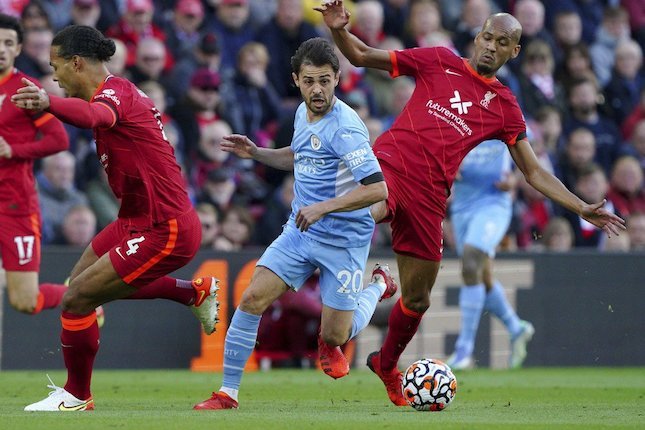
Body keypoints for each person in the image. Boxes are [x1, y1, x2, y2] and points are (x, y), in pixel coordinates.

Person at [317, 1, 626, 406]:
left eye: (502, 43)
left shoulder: (504, 107)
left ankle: (386, 365)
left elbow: (533, 173)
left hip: (431, 196)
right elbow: (360, 56)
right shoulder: (438, 60)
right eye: (487, 37)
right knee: (365, 213)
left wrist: (580, 206)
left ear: (513, 51)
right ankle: (330, 337)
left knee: (417, 299)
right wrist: (340, 30)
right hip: (390, 167)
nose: (491, 47)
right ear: (477, 36)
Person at [12, 25, 219, 412]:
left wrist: (46, 103)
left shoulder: (113, 94)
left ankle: (77, 396)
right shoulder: (117, 90)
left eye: (56, 66)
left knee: (76, 299)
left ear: (76, 62)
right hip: (136, 219)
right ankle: (193, 292)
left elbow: (96, 117)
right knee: (80, 286)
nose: (54, 77)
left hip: (165, 225)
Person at [192, 37, 396, 410]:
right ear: (296, 80)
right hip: (301, 232)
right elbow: (299, 156)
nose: (317, 89)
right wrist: (256, 153)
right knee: (252, 298)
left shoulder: (347, 128)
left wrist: (324, 207)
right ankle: (228, 393)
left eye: (324, 80)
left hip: (344, 240)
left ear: (337, 77)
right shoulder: (302, 113)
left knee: (336, 334)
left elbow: (378, 189)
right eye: (309, 81)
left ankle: (378, 285)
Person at [0, 14, 70, 316]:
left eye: (8, 43)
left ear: (17, 50)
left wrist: (13, 150)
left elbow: (58, 139)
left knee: (25, 302)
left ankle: (82, 297)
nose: (1, 49)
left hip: (15, 206)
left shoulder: (24, 89)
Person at [446, 139, 535, 370]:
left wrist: (514, 180)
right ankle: (516, 328)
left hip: (493, 204)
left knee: (471, 260)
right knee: (481, 276)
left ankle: (464, 350)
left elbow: (529, 164)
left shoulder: (504, 120)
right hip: (462, 207)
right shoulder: (456, 118)